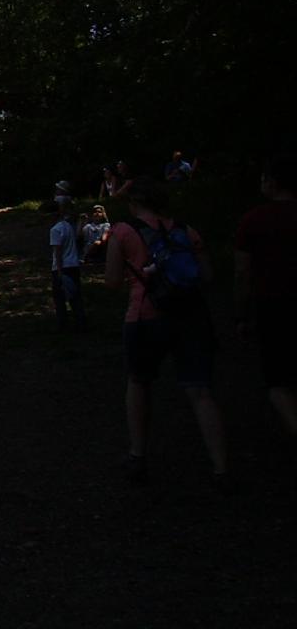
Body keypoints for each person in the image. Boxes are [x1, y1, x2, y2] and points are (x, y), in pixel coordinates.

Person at [103, 178, 228, 485]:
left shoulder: (123, 231)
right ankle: (222, 468)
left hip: (144, 315)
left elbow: (112, 281)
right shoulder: (186, 231)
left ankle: (138, 455)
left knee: (139, 382)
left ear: (133, 203)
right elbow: (208, 276)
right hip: (190, 317)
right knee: (200, 391)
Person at [233, 150, 297, 445]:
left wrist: (241, 315)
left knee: (277, 382)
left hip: (273, 305)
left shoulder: (254, 220)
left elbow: (243, 272)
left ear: (271, 182)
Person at [50, 206, 85, 329]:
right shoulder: (68, 226)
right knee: (75, 295)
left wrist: (59, 270)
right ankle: (80, 321)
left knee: (60, 298)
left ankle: (63, 324)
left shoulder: (55, 230)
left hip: (62, 267)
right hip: (73, 264)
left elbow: (57, 251)